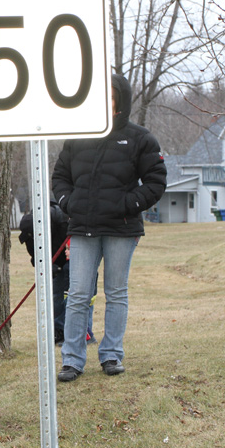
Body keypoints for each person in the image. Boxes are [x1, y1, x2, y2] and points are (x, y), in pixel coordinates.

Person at [51, 74, 167, 382]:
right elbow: (59, 177)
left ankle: (112, 354)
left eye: (110, 95)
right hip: (82, 228)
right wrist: (68, 202)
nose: (105, 100)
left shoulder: (140, 138)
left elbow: (156, 182)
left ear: (120, 100)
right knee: (77, 294)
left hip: (121, 229)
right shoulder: (77, 136)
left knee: (115, 293)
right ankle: (72, 360)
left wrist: (126, 204)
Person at [18, 201, 70, 343]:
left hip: (70, 259)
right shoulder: (30, 230)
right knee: (55, 295)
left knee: (75, 296)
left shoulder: (64, 221)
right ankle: (58, 330)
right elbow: (35, 254)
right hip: (53, 264)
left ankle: (83, 332)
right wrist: (46, 266)